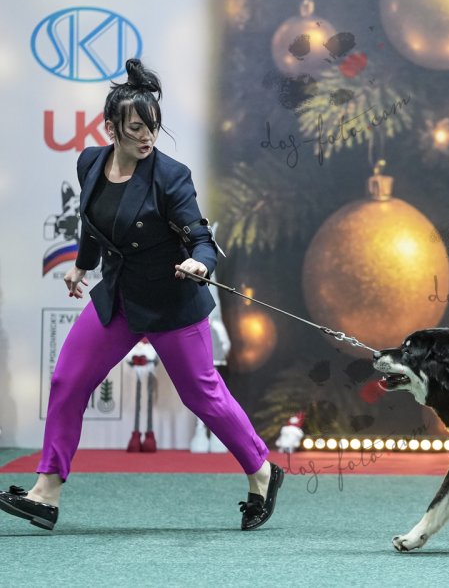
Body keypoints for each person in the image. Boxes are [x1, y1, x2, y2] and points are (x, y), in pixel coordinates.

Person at [0, 58, 283, 531]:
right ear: (110, 127)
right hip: (118, 299)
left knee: (204, 396)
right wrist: (82, 265)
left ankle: (262, 470)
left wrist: (200, 263)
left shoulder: (170, 176)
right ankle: (46, 493)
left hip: (172, 302)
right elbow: (93, 222)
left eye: (152, 126)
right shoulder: (90, 162)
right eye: (136, 128)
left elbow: (199, 235)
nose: (147, 137)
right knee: (68, 381)